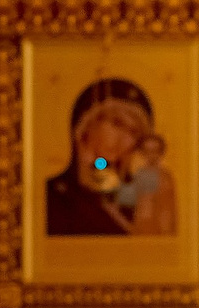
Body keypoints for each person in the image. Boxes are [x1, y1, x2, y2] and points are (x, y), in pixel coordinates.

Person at [42, 77, 168, 237]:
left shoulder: (136, 197)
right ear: (85, 123)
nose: (123, 139)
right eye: (116, 123)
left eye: (133, 132)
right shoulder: (52, 196)